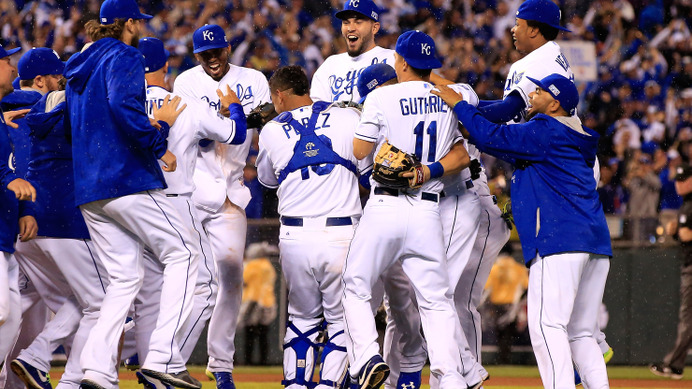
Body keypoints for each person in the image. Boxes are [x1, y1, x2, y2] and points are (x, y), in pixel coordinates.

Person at [432, 73, 612, 388]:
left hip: (560, 241)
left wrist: (460, 106)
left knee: (547, 328)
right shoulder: (574, 133)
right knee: (582, 333)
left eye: (540, 91)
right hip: (596, 244)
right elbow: (508, 150)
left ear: (554, 103)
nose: (532, 94)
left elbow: (489, 138)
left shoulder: (546, 130)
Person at [63, 0, 200, 388]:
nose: (139, 28)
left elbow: (61, 120)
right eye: (136, 21)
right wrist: (160, 135)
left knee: (124, 279)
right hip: (124, 178)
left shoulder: (79, 64)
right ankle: (163, 358)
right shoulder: (124, 55)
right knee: (185, 253)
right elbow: (123, 106)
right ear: (125, 23)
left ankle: (97, 369)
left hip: (89, 188)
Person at [342, 30, 478, 389]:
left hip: (386, 205)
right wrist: (426, 169)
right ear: (430, 65)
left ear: (399, 62)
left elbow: (359, 150)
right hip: (428, 211)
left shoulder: (381, 96)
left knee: (355, 285)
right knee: (436, 301)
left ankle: (368, 357)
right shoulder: (455, 95)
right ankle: (450, 377)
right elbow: (462, 148)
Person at [134, 36, 247, 388]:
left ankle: (111, 363)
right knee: (207, 284)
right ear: (166, 67)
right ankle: (166, 360)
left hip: (130, 207)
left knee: (145, 292)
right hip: (176, 204)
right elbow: (237, 133)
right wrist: (234, 106)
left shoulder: (122, 106)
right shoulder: (183, 103)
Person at [257, 65, 372, 389]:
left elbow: (267, 179)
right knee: (340, 320)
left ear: (279, 95)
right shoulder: (348, 118)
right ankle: (329, 384)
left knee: (302, 319)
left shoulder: (271, 129)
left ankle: (296, 383)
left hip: (295, 237)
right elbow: (366, 169)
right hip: (342, 235)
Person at [173, 23, 270, 389]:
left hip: (231, 191)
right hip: (195, 191)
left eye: (217, 50)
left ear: (228, 48)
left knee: (231, 279)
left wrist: (238, 119)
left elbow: (265, 120)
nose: (212, 58)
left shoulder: (254, 78)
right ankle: (169, 359)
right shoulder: (186, 82)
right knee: (194, 282)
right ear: (197, 55)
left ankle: (222, 364)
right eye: (204, 53)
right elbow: (204, 132)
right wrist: (237, 117)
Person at [0, 42, 35, 372]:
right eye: (6, 61)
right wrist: (5, 178)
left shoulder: (2, 117)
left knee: (9, 319)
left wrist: (25, 212)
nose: (13, 69)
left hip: (5, 233)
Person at [649, 163, 692, 380]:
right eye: (677, 180)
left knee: (687, 318)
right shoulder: (686, 205)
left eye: (683, 179)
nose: (679, 184)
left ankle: (673, 364)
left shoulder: (689, 206)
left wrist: (675, 233)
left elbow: (686, 235)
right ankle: (674, 365)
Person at [310, 0, 394, 103]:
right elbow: (318, 112)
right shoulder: (329, 65)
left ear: (374, 28)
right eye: (346, 23)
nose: (350, 28)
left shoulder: (392, 59)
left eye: (358, 22)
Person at [239, 242, 277, 366]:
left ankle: (248, 361)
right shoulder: (268, 265)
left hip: (253, 301)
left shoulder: (253, 265)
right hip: (267, 302)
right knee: (263, 334)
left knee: (249, 334)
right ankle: (263, 361)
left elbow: (243, 279)